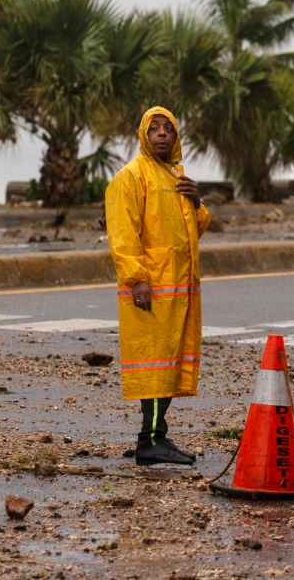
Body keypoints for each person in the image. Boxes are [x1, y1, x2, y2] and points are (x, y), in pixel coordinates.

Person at [105, 106, 209, 466]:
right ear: (143, 136)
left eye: (168, 129)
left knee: (168, 365)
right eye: (155, 129)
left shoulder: (177, 176)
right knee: (154, 367)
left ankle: (158, 436)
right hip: (152, 290)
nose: (162, 134)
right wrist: (137, 280)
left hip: (179, 290)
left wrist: (197, 201)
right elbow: (122, 233)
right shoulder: (132, 177)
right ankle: (148, 442)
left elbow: (193, 230)